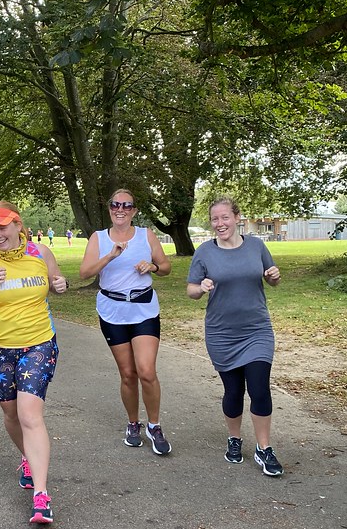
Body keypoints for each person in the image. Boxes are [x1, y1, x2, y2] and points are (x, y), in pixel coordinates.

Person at [0, 201, 68, 525]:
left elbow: (56, 280)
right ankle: (27, 457)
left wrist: (60, 284)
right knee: (10, 415)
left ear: (17, 224)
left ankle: (41, 495)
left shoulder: (40, 253)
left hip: (38, 344)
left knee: (29, 414)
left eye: (1, 227)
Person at [186, 196, 283, 477]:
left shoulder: (256, 246)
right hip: (221, 333)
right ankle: (234, 438)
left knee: (259, 388)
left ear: (237, 218)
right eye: (215, 219)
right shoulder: (204, 252)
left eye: (225, 217)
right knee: (234, 391)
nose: (220, 223)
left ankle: (264, 448)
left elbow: (271, 279)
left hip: (256, 330)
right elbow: (191, 291)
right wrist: (201, 287)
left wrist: (274, 276)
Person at [79, 188, 172, 455]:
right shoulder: (98, 238)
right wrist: (110, 256)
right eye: (115, 204)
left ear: (134, 210)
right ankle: (133, 423)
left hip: (143, 308)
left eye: (126, 205)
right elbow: (85, 273)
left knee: (146, 370)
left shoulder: (146, 236)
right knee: (128, 374)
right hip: (112, 311)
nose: (120, 209)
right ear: (109, 208)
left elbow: (166, 267)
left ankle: (154, 426)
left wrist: (152, 267)